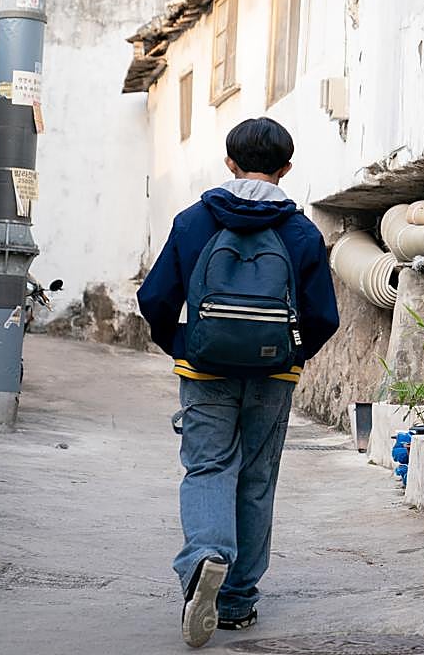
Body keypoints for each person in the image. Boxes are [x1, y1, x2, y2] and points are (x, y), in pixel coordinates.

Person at [137, 117, 339, 647]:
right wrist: (292, 357)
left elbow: (154, 299)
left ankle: (206, 553)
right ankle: (238, 603)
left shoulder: (192, 222)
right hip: (274, 375)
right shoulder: (301, 232)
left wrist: (179, 343)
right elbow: (323, 317)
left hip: (205, 370)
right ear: (286, 169)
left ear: (229, 163)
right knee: (256, 478)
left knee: (208, 467)